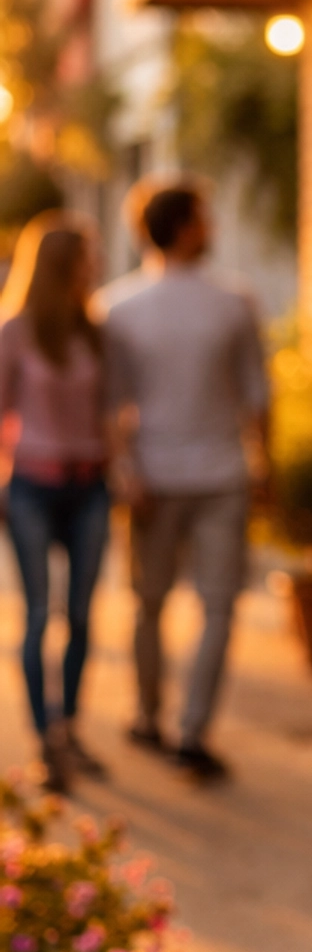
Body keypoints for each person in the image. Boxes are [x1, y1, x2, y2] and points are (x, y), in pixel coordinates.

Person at [101, 178, 269, 784]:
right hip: (217, 474)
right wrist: (264, 462)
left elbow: (110, 406)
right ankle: (189, 732)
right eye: (205, 218)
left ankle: (151, 718)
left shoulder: (116, 307)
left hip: (157, 476)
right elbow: (258, 394)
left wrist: (125, 471)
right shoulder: (234, 302)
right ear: (183, 228)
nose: (215, 228)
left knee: (149, 604)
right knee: (216, 607)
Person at [0, 212, 113, 792]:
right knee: (39, 613)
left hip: (89, 485)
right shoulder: (15, 331)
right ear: (58, 268)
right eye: (84, 261)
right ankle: (45, 738)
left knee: (83, 616)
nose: (92, 271)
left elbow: (113, 412)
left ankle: (68, 726)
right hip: (32, 488)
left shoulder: (93, 331)